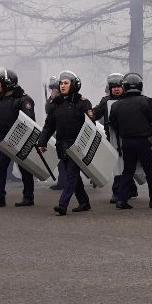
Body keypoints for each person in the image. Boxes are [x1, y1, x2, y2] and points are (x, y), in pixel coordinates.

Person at [37, 71, 93, 216]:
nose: (62, 86)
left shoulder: (83, 103)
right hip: (62, 145)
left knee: (71, 175)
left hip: (77, 146)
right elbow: (49, 125)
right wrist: (42, 142)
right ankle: (84, 202)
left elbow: (90, 126)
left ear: (74, 85)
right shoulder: (56, 104)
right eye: (61, 83)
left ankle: (63, 204)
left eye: (66, 83)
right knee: (73, 177)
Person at [108, 73, 152, 210]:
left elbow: (113, 124)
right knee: (150, 171)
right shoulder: (146, 101)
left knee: (127, 171)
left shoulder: (116, 105)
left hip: (126, 142)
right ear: (140, 86)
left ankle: (121, 200)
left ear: (125, 86)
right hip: (143, 141)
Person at [0, 68, 36, 208]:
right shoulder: (0, 100)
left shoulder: (24, 99)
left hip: (20, 139)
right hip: (3, 139)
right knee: (0, 168)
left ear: (7, 83)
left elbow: (29, 121)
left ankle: (28, 197)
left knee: (24, 168)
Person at [90, 73, 135, 204]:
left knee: (128, 164)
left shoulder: (130, 98)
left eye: (118, 86)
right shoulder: (105, 101)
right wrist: (87, 111)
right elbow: (95, 114)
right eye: (113, 86)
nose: (116, 89)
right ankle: (117, 191)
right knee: (117, 165)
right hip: (113, 137)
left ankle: (131, 188)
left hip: (129, 136)